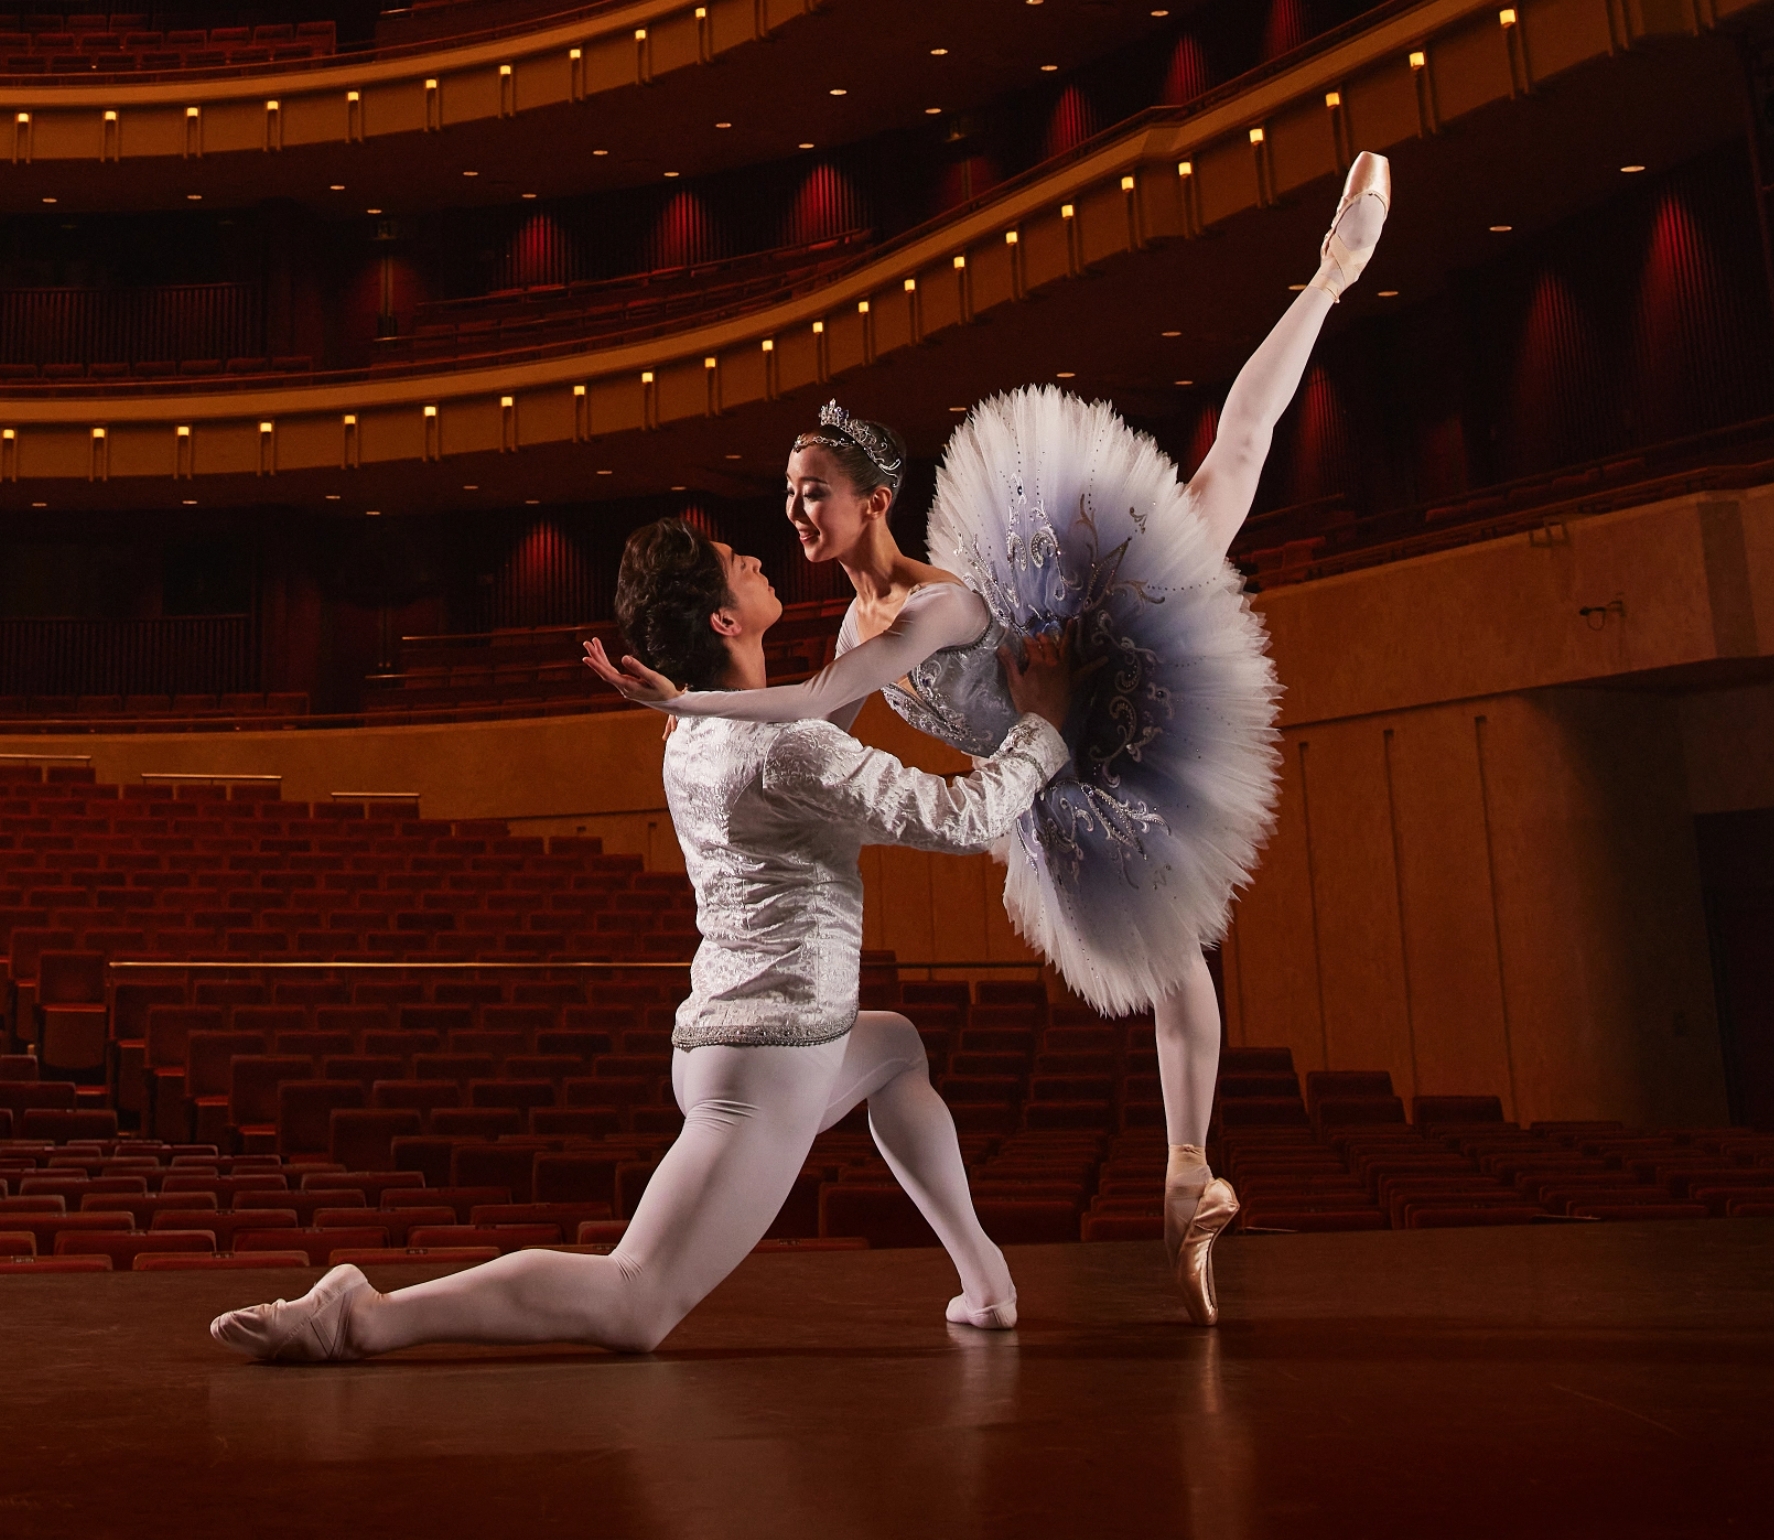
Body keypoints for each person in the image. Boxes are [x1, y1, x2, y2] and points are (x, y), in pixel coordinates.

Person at [579, 152, 1393, 1326]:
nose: (795, 509)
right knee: (1170, 958)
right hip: (1046, 774)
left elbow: (812, 707)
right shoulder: (854, 626)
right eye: (789, 492)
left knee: (1230, 466)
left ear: (874, 502)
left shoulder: (933, 609)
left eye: (815, 489)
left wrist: (685, 704)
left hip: (1092, 677)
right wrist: (700, 721)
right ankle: (1189, 1175)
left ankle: (1331, 273)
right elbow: (807, 731)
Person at [208, 522, 1075, 1362]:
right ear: (724, 621)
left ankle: (986, 1285)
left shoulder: (692, 729)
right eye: (737, 561)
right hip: (772, 1062)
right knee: (636, 1299)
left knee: (897, 1049)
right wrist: (1043, 725)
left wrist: (878, 640)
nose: (756, 557)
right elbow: (965, 818)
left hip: (735, 1045)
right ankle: (368, 1316)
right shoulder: (783, 748)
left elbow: (813, 736)